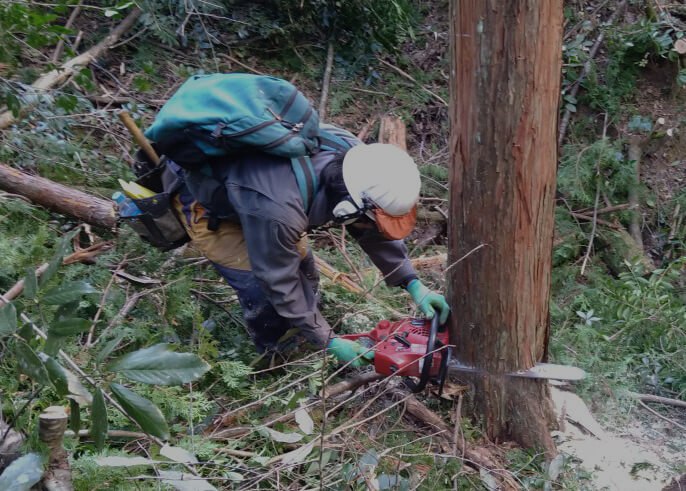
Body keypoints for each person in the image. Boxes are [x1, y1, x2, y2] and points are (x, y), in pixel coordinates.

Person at [162, 123, 449, 366]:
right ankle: (277, 358)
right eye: (363, 218)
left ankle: (305, 332)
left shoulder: (356, 161)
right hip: (208, 200)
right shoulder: (279, 212)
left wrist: (411, 282)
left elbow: (371, 228)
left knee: (305, 272)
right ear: (347, 208)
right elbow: (278, 280)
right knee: (263, 291)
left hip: (262, 197)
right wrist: (329, 341)